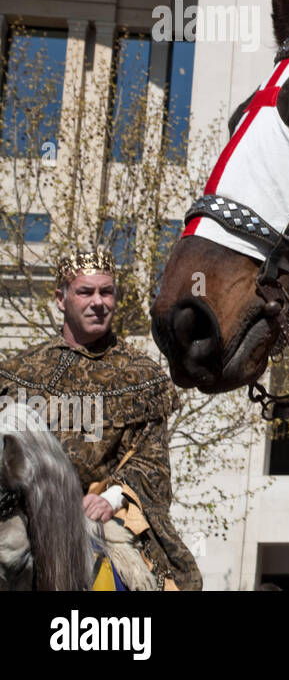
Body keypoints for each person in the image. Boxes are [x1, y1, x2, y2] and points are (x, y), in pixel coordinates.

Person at [0, 249, 201, 590]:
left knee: (137, 581)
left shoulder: (142, 377)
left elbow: (152, 464)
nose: (98, 302)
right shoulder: (16, 372)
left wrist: (110, 499)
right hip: (20, 513)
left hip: (96, 518)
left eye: (106, 292)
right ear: (61, 299)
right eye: (85, 292)